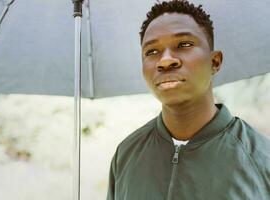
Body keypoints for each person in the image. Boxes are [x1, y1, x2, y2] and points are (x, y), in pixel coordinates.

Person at [106, 0, 270, 199]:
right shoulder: (126, 156)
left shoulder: (260, 159)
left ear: (215, 62)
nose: (165, 60)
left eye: (184, 44)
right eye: (152, 51)